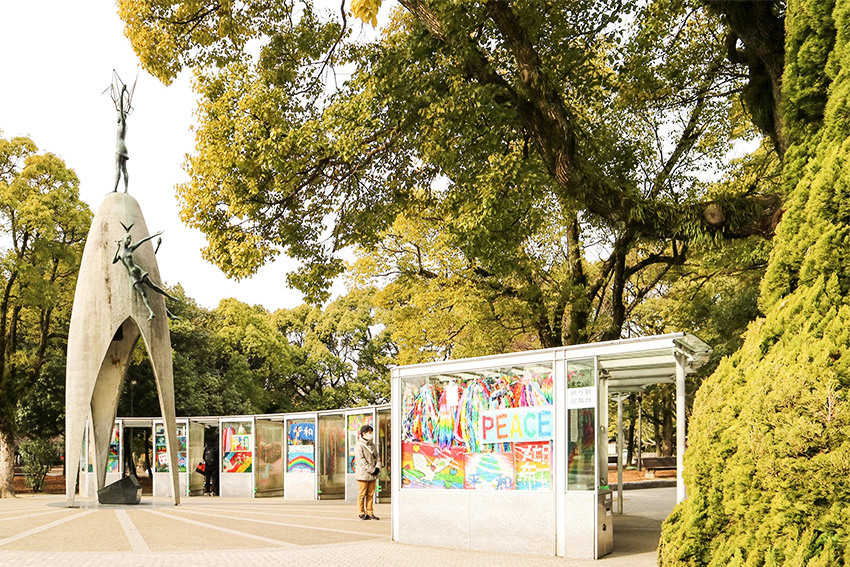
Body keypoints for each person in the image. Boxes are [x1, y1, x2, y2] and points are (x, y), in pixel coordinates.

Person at [354, 424, 379, 520]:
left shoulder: (372, 445)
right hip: (363, 474)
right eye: (369, 432)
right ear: (363, 433)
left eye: (371, 432)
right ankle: (361, 512)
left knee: (371, 494)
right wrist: (372, 470)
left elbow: (377, 457)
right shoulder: (359, 446)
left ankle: (370, 512)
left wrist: (377, 468)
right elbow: (361, 461)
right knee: (362, 494)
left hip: (373, 474)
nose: (370, 434)